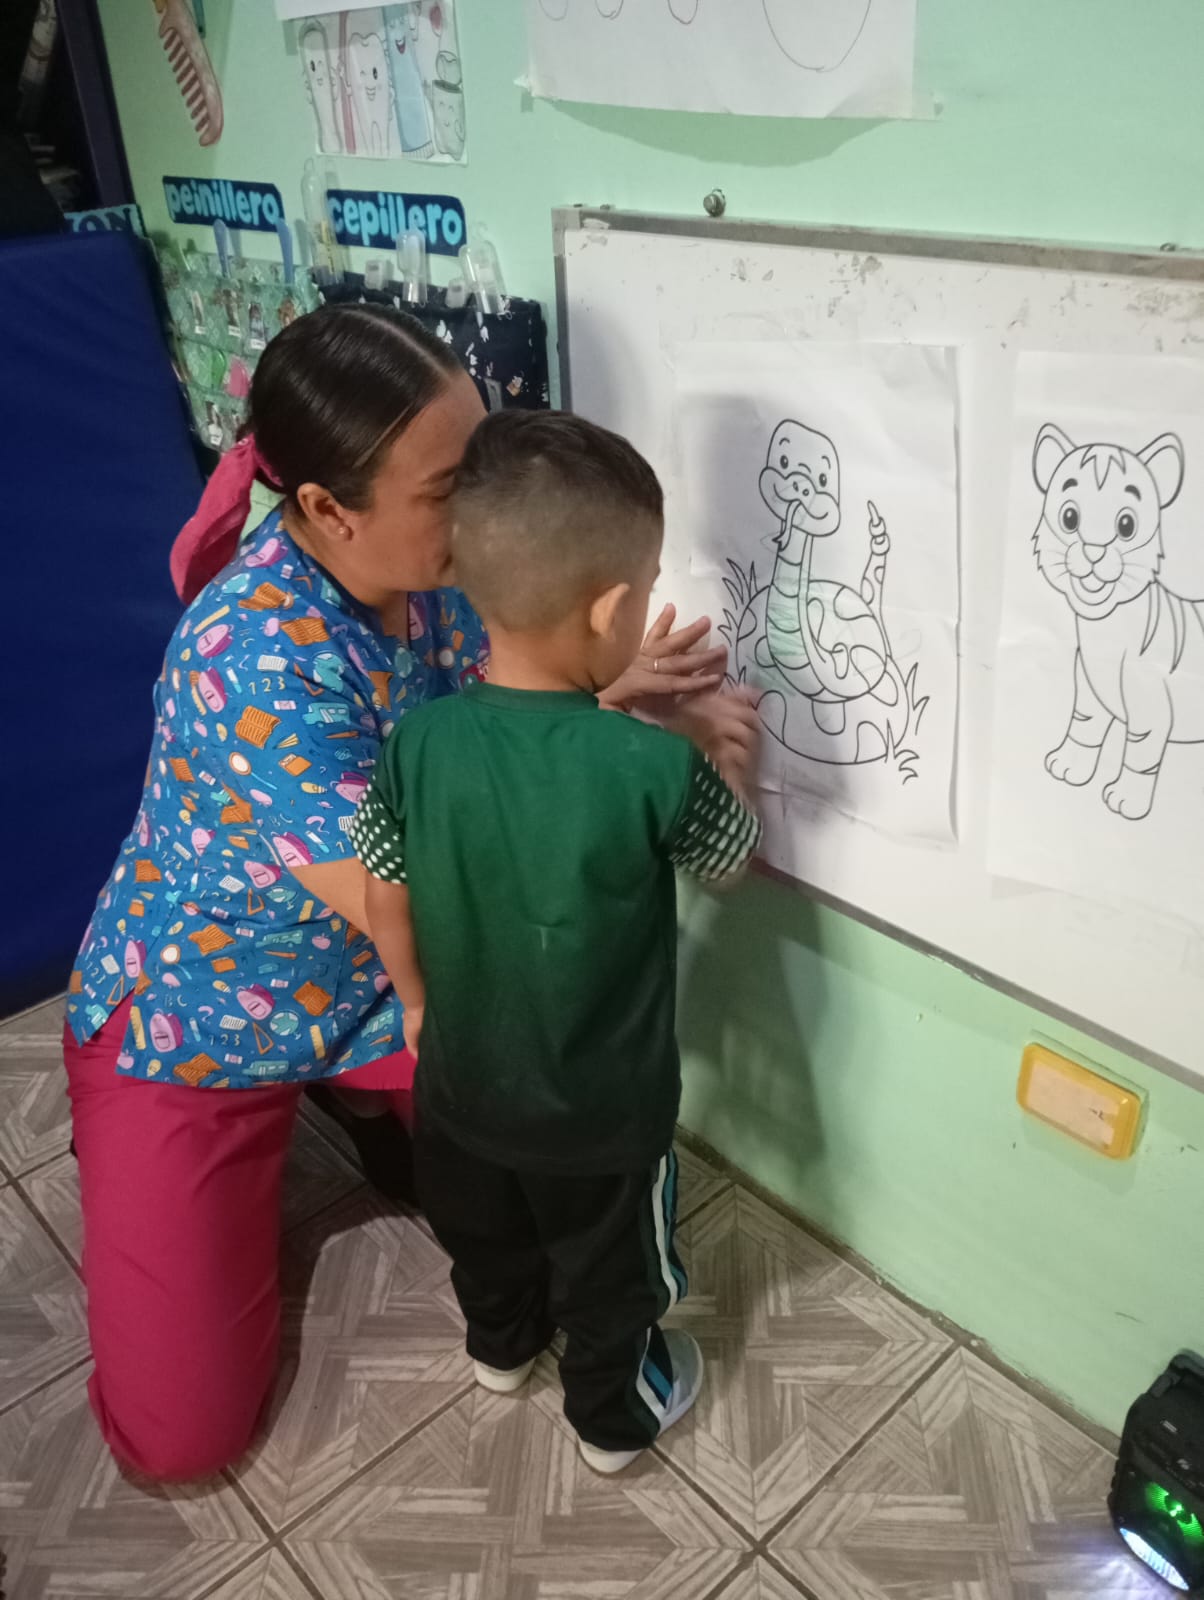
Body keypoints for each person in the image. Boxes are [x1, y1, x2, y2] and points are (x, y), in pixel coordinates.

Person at [63, 303, 753, 1482]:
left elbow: (487, 726)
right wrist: (625, 763)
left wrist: (595, 684)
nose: (487, 507)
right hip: (209, 1013)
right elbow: (466, 882)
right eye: (448, 487)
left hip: (395, 981)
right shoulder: (249, 661)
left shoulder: (443, 569)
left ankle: (364, 1102)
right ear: (329, 509)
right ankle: (310, 1107)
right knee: (179, 1436)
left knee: (532, 1163)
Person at [351, 410, 762, 1474]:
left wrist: (413, 1000)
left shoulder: (417, 741)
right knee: (612, 1277)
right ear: (613, 610)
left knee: (488, 1242)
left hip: (458, 1093)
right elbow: (727, 860)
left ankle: (501, 1350)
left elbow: (385, 890)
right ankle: (614, 1418)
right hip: (601, 1122)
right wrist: (725, 765)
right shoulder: (651, 768)